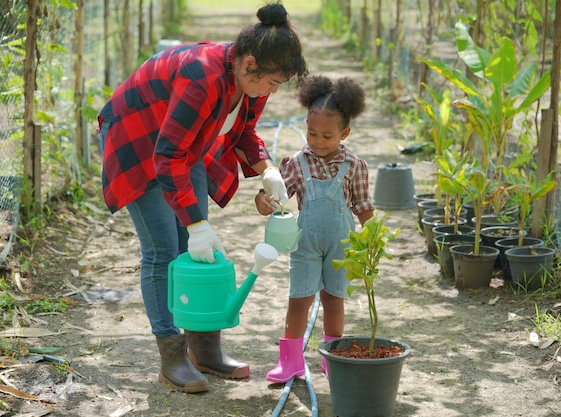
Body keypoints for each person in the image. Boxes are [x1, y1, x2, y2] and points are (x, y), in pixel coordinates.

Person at [96, 2, 308, 393]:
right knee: (163, 249)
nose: (273, 91)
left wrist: (267, 169)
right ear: (248, 63)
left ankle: (204, 348)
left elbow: (242, 131)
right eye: (272, 82)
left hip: (182, 142)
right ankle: (171, 357)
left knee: (195, 250)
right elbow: (166, 156)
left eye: (279, 84)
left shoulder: (252, 82)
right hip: (138, 138)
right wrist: (196, 223)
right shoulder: (203, 76)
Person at [254, 75, 374, 383]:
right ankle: (290, 361)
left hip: (341, 245)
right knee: (300, 299)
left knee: (334, 299)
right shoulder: (296, 163)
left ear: (344, 133)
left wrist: (373, 238)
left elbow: (363, 207)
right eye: (311, 132)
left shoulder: (355, 166)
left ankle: (331, 357)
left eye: (327, 135)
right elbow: (275, 193)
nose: (317, 141)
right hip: (305, 244)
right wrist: (263, 200)